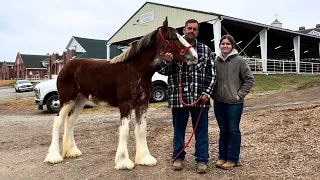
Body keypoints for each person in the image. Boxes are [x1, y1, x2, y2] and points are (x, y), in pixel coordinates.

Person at [157, 19, 216, 174]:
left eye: (195, 29)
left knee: (201, 131)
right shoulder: (173, 48)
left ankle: (202, 160)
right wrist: (168, 62)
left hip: (199, 98)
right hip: (179, 98)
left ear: (198, 31)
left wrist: (206, 93)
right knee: (178, 130)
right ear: (184, 30)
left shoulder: (205, 50)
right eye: (189, 28)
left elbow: (212, 74)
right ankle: (178, 157)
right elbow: (162, 71)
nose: (192, 31)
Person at [211, 34, 254, 170]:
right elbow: (211, 79)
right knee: (223, 130)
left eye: (228, 44)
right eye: (223, 44)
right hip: (219, 102)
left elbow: (249, 79)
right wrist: (213, 95)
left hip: (234, 104)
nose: (225, 46)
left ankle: (233, 158)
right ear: (219, 45)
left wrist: (239, 95)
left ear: (232, 46)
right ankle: (222, 157)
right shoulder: (215, 61)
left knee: (233, 130)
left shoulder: (240, 61)